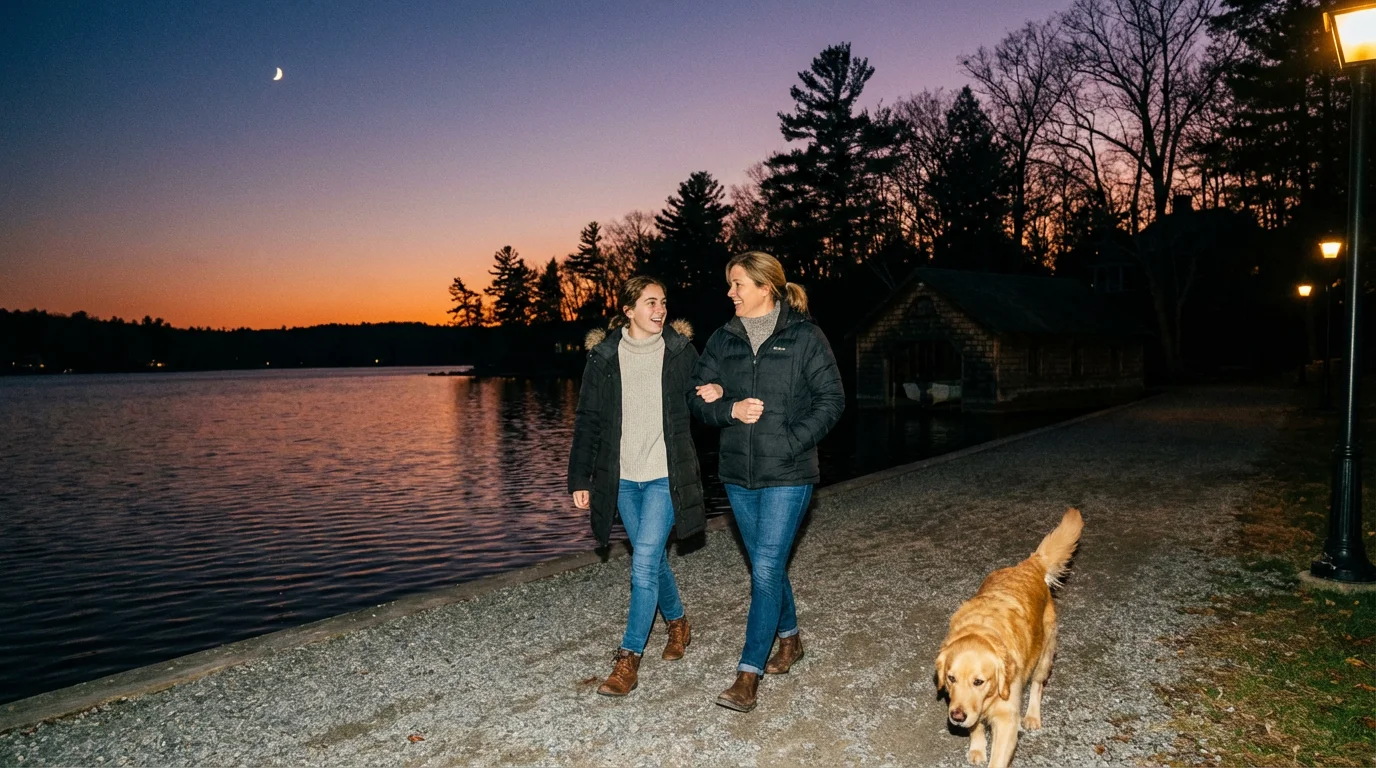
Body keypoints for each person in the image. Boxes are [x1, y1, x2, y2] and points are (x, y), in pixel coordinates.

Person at [691, 251, 845, 712]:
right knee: (767, 565)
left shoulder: (804, 337)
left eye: (737, 284)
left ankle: (747, 675)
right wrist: (727, 408)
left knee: (764, 567)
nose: (730, 292)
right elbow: (697, 399)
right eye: (730, 284)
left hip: (789, 473)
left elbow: (832, 400)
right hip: (738, 474)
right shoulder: (722, 339)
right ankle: (791, 640)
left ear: (765, 288)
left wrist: (793, 440)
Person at [568, 275, 706, 696]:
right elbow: (588, 419)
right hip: (623, 479)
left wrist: (719, 393)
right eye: (650, 303)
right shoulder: (604, 357)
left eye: (663, 301)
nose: (660, 309)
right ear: (628, 310)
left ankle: (628, 659)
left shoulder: (681, 352)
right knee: (653, 560)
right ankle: (679, 622)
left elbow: (701, 399)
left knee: (643, 561)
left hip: (666, 474)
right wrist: (580, 476)